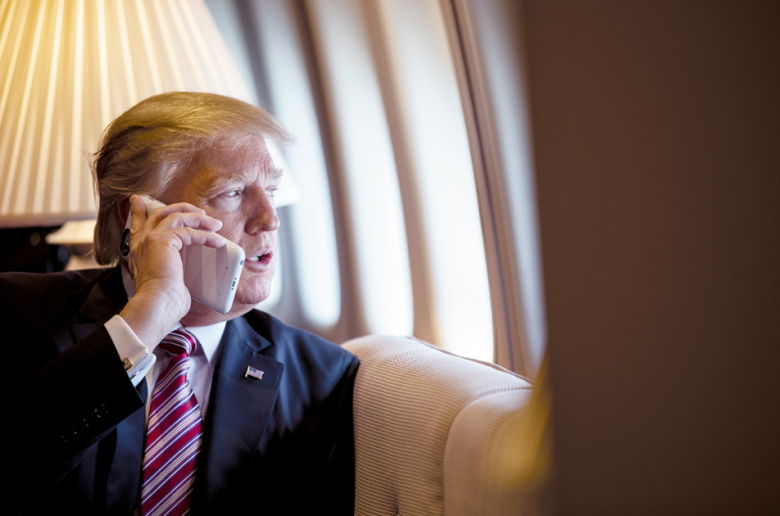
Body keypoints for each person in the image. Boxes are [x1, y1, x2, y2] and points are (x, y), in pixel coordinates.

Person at [0, 92, 359, 515]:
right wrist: (147, 317)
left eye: (272, 191)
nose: (270, 218)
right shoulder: (19, 312)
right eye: (232, 192)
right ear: (138, 218)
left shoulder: (323, 375)